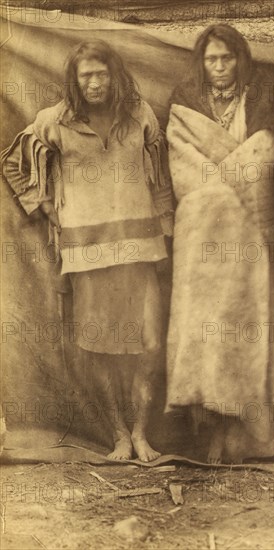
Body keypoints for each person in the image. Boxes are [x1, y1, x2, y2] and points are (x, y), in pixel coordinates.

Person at [2, 40, 174, 462]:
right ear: (75, 80)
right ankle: (118, 435)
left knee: (149, 346)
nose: (95, 83)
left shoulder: (140, 116)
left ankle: (141, 433)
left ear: (115, 75)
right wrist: (45, 207)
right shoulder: (54, 121)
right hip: (87, 252)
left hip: (140, 248)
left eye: (102, 74)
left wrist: (168, 234)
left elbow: (162, 178)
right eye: (86, 75)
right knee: (100, 348)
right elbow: (11, 162)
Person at [165, 24, 274, 463]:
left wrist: (226, 180)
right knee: (205, 328)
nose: (219, 67)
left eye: (227, 58)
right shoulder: (185, 104)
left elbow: (263, 159)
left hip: (250, 237)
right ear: (201, 63)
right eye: (211, 59)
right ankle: (209, 429)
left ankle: (248, 431)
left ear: (241, 60)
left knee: (250, 326)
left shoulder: (263, 100)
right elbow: (185, 170)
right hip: (203, 238)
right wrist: (222, 190)